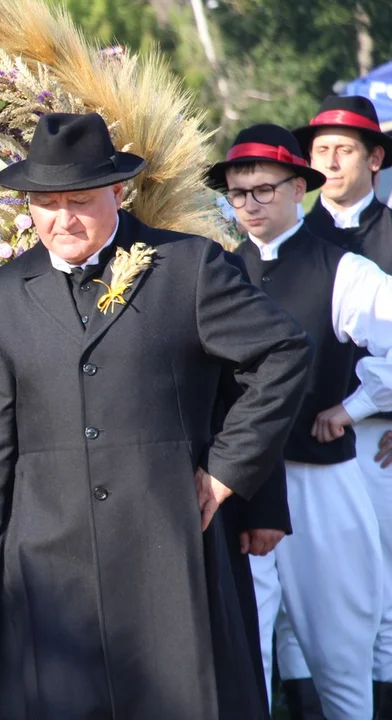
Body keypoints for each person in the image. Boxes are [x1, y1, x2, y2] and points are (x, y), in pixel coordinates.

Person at [0, 111, 313, 719]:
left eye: (80, 200)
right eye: (45, 202)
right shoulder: (1, 294)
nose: (62, 218)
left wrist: (228, 469)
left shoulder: (189, 267)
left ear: (118, 192)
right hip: (47, 559)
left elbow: (283, 351)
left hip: (169, 543)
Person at [207, 123, 392, 720]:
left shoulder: (342, 270)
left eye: (264, 190)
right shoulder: (217, 271)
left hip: (318, 479)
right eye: (239, 193)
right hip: (241, 484)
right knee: (243, 653)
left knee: (341, 653)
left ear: (299, 188)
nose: (251, 205)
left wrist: (354, 406)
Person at [292, 96, 392, 717]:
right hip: (307, 445)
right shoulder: (294, 236)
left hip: (378, 440)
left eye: (345, 150)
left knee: (381, 588)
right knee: (311, 586)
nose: (330, 162)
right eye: (320, 151)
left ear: (375, 158)